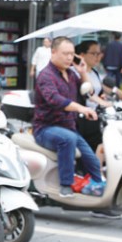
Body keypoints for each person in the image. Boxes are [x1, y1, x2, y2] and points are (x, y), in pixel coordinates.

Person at [33, 36, 106, 199]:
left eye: (72, 54)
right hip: (46, 129)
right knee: (68, 139)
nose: (69, 58)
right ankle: (65, 185)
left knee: (92, 160)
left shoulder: (71, 75)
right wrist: (81, 108)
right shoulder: (46, 76)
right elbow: (56, 100)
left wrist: (82, 73)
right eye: (65, 53)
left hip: (69, 128)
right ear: (53, 52)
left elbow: (88, 92)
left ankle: (99, 187)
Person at [75, 40, 111, 152]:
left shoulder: (95, 72)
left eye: (99, 53)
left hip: (96, 115)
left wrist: (102, 97)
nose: (97, 57)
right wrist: (100, 101)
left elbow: (97, 92)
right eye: (93, 53)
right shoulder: (76, 72)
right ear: (82, 55)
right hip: (81, 118)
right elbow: (87, 93)